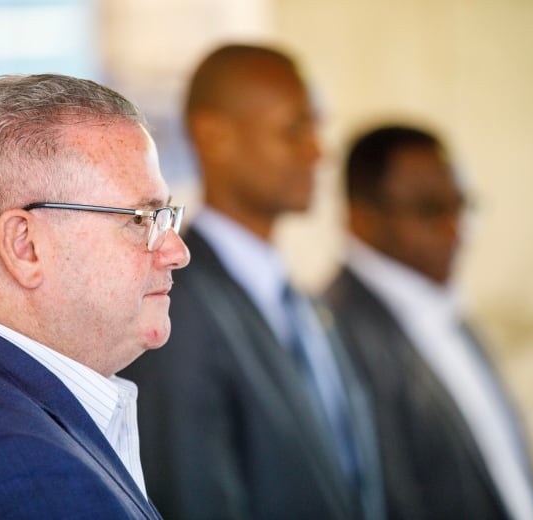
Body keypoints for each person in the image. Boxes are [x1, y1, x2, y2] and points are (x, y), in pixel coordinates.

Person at [0, 73, 190, 519]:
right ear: (25, 246)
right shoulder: (12, 471)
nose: (177, 251)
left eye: (167, 215)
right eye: (141, 219)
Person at [119, 44, 385, 520]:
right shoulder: (172, 309)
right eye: (294, 129)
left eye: (318, 126)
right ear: (213, 135)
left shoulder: (303, 303)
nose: (318, 151)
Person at [325, 124, 533, 520]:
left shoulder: (447, 310)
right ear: (362, 217)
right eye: (430, 209)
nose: (455, 230)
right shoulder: (336, 332)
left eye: (461, 206)